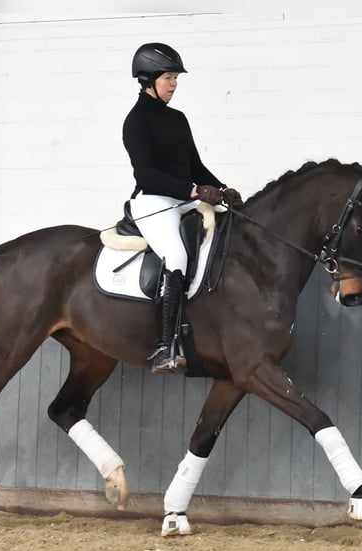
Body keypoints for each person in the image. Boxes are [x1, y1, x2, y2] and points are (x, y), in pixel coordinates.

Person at [123, 42, 243, 374]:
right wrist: (193, 190)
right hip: (153, 202)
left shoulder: (178, 118)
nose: (174, 84)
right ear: (148, 80)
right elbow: (146, 174)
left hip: (185, 198)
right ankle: (165, 345)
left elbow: (195, 165)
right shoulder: (135, 122)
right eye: (168, 78)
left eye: (175, 77)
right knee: (176, 256)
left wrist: (221, 189)